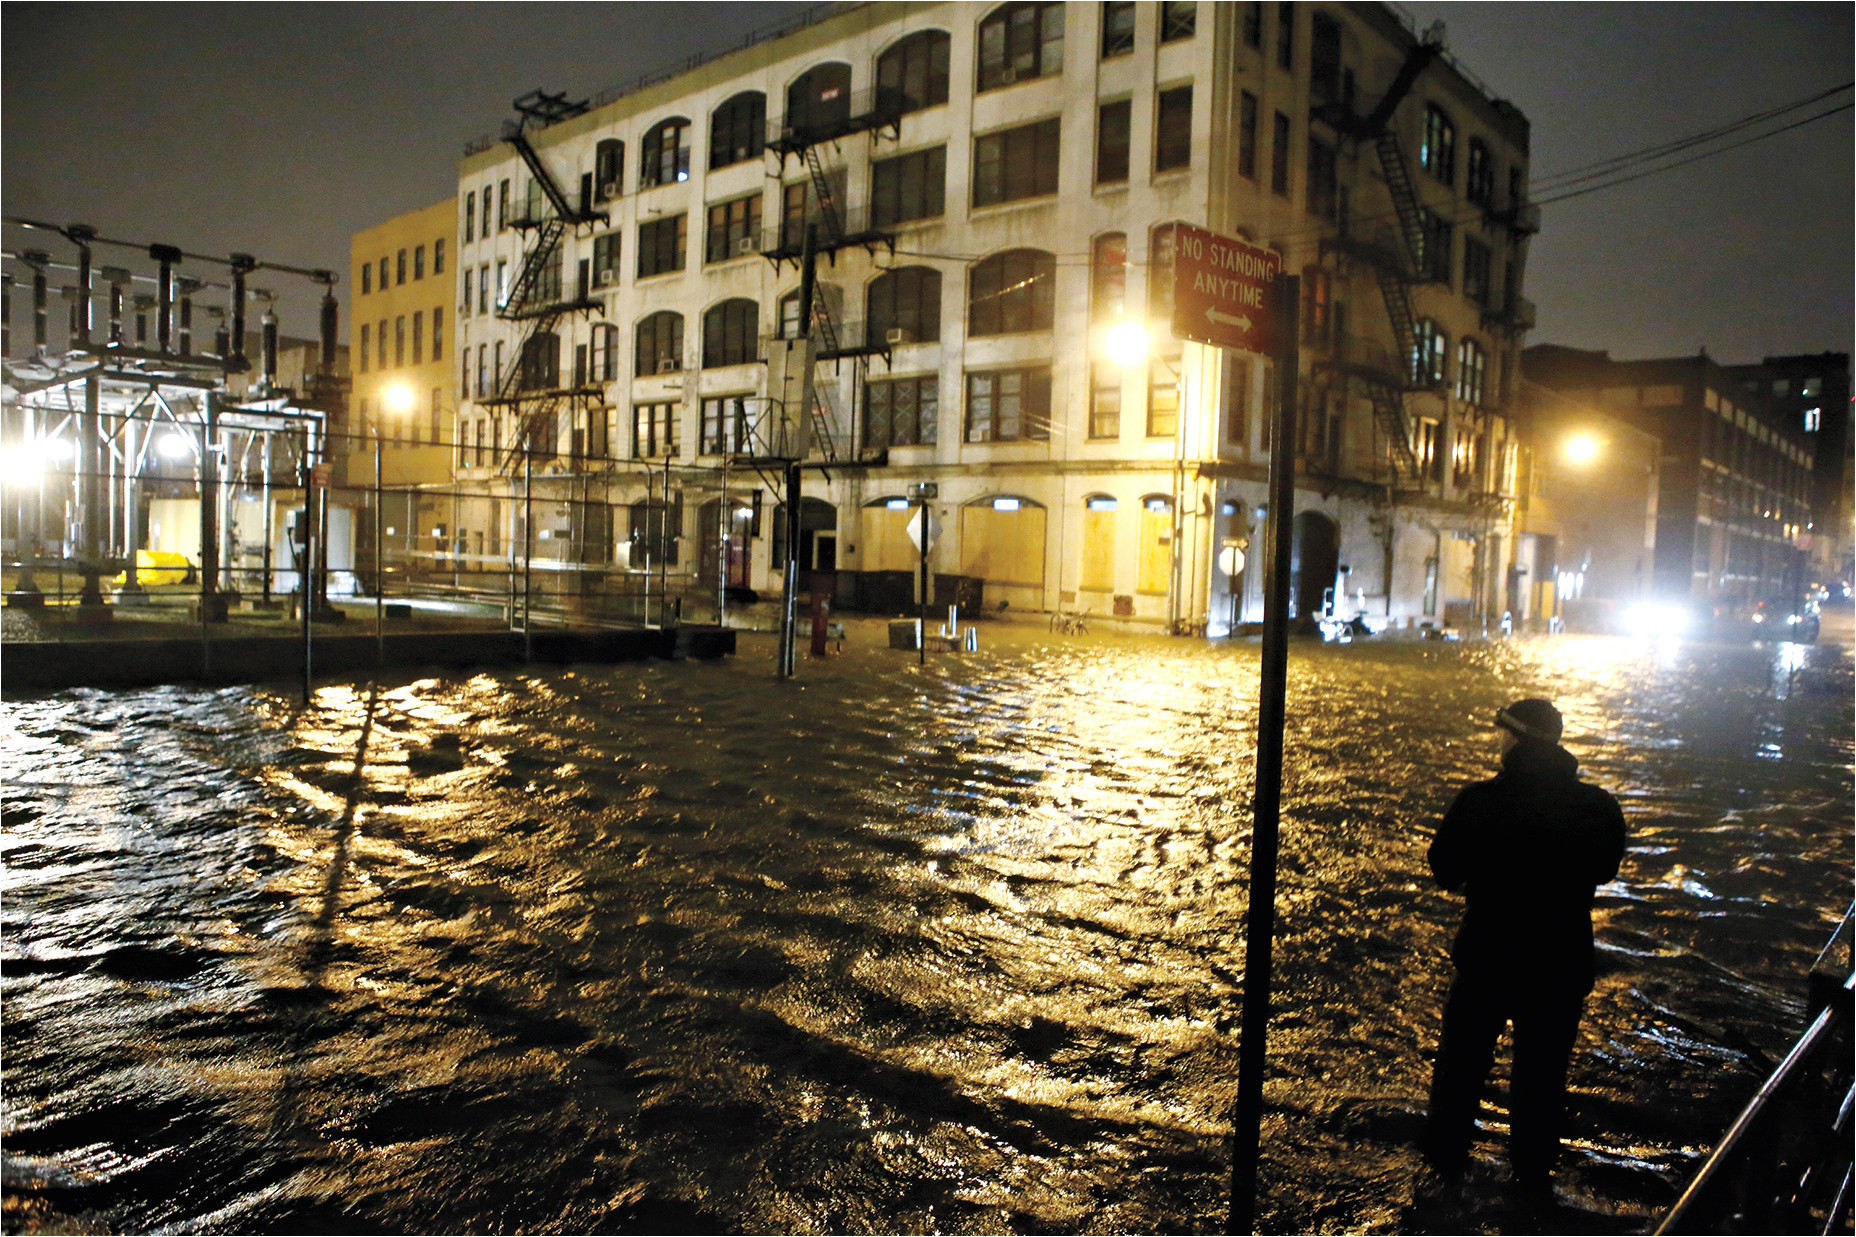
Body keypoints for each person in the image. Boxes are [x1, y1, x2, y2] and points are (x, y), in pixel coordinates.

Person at [1420, 697, 1627, 1203]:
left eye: (1500, 735)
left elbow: (1445, 869)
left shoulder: (1480, 801)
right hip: (1560, 961)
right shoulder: (1597, 805)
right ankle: (1532, 1186)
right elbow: (1604, 869)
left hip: (1488, 957)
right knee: (1542, 1079)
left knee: (1460, 1074)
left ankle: (1442, 1181)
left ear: (1513, 738)